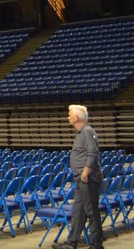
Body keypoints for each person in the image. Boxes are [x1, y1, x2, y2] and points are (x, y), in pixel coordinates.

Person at [53, 104, 103, 249]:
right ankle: (71, 242)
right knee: (78, 212)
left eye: (69, 114)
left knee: (91, 212)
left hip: (87, 179)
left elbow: (93, 153)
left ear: (76, 117)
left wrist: (85, 174)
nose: (68, 117)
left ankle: (96, 245)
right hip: (80, 180)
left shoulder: (87, 131)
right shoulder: (81, 133)